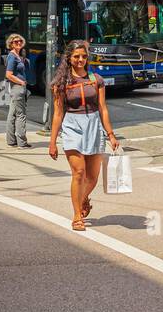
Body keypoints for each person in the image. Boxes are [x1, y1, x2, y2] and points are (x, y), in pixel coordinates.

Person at [48, 40, 120, 231]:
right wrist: (52, 142)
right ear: (69, 59)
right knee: (79, 172)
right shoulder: (61, 83)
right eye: (76, 56)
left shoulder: (96, 79)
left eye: (84, 56)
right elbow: (57, 114)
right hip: (72, 126)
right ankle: (77, 215)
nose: (80, 60)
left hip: (94, 125)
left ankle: (82, 199)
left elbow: (103, 109)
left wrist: (111, 134)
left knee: (93, 177)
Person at [4, 32, 31, 148]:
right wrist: (21, 82)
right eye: (15, 42)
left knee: (12, 114)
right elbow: (8, 74)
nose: (19, 43)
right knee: (21, 115)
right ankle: (22, 142)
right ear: (11, 44)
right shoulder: (12, 56)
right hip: (17, 88)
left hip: (17, 88)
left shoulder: (18, 56)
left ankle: (11, 141)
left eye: (20, 41)